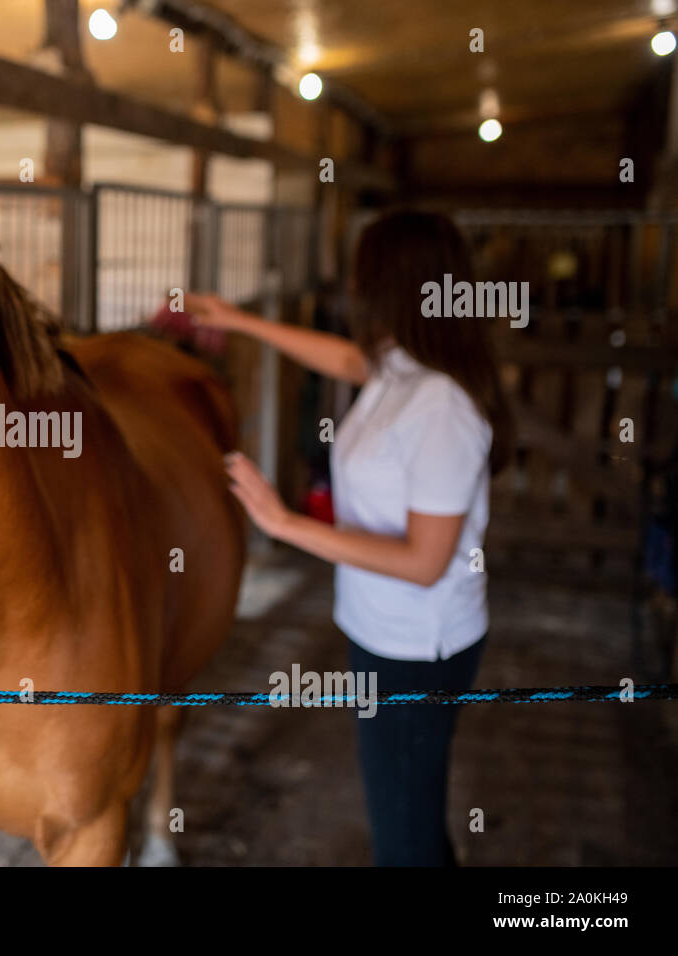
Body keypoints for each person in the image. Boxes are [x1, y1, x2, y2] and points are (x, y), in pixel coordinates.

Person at [186, 210, 513, 866]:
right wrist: (240, 320)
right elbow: (344, 357)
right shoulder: (401, 365)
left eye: (362, 275)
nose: (351, 288)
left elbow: (425, 562)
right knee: (408, 813)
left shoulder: (442, 406)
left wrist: (284, 524)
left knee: (403, 840)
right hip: (381, 633)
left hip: (419, 650)